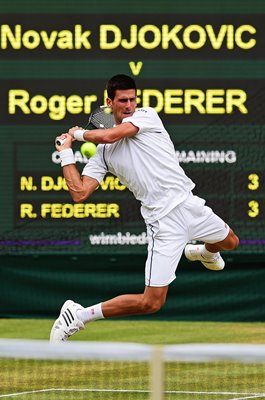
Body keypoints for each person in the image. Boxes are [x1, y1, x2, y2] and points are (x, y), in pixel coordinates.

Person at [50, 74, 239, 342]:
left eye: (132, 99)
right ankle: (78, 315)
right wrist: (66, 153)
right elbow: (79, 193)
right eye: (123, 100)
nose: (129, 105)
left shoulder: (147, 116)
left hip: (188, 204)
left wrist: (77, 134)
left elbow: (111, 134)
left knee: (231, 242)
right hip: (162, 223)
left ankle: (203, 252)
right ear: (109, 102)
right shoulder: (103, 155)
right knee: (151, 302)